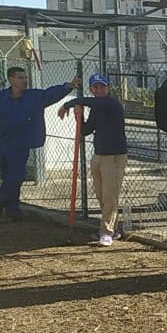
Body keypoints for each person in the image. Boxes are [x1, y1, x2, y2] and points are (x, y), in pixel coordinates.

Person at [0, 67, 80, 221]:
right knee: (9, 176)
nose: (25, 80)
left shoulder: (33, 96)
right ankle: (13, 211)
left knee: (17, 175)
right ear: (11, 79)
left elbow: (50, 94)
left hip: (21, 143)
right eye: (20, 77)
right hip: (2, 142)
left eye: (25, 77)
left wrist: (68, 86)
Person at [58, 73, 127, 247]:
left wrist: (68, 103)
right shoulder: (96, 108)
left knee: (110, 195)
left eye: (102, 86)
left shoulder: (112, 103)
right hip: (98, 155)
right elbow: (86, 130)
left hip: (114, 156)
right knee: (101, 194)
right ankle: (114, 228)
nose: (99, 90)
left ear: (107, 88)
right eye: (95, 87)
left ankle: (106, 232)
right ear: (91, 89)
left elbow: (92, 101)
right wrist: (78, 116)